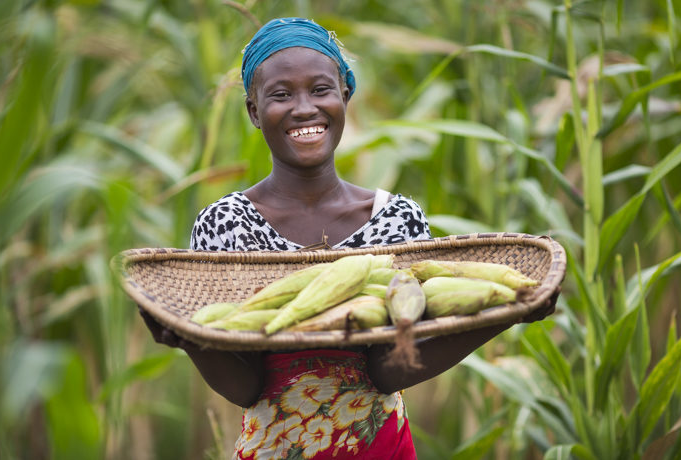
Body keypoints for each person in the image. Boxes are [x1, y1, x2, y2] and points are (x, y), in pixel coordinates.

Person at [141, 17, 557, 460]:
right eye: (281, 95)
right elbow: (246, 388)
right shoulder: (225, 224)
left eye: (320, 89)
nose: (304, 108)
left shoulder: (395, 220)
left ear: (345, 96)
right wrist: (187, 340)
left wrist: (504, 313)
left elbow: (386, 371)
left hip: (381, 448)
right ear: (254, 111)